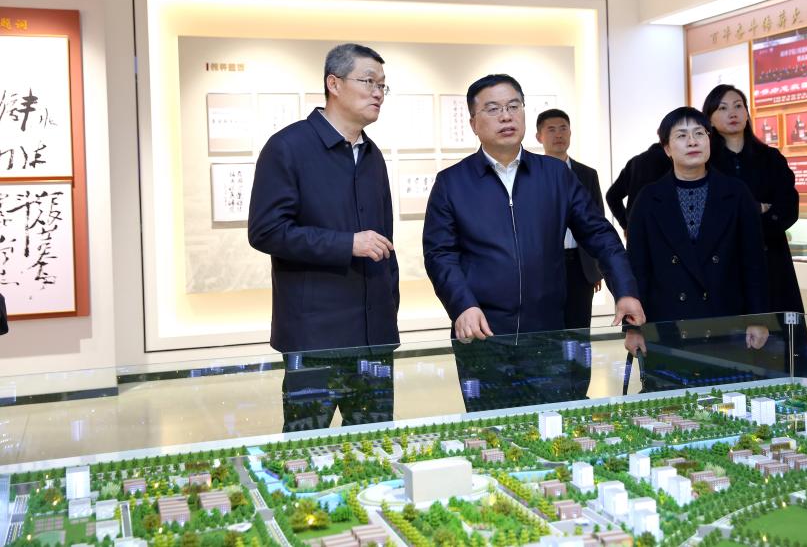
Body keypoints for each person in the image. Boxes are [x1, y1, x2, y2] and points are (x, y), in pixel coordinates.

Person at [423, 73, 644, 339]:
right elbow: (440, 254)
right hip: (480, 329)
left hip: (547, 328)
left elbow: (600, 235)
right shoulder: (451, 182)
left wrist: (625, 289)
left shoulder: (556, 175)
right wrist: (462, 305)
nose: (506, 116)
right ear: (473, 123)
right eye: (493, 109)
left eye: (513, 106)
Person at [248, 43, 399, 429]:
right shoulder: (288, 147)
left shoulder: (372, 155)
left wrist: (389, 314)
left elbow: (384, 243)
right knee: (306, 448)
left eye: (383, 85)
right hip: (315, 338)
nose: (378, 93)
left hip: (374, 337)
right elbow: (266, 231)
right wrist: (347, 244)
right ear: (334, 83)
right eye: (369, 82)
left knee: (375, 446)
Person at [626, 106, 769, 323]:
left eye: (699, 133)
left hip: (725, 316)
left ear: (709, 140)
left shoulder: (737, 193)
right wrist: (634, 327)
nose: (692, 142)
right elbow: (638, 267)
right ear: (667, 148)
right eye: (682, 135)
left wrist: (758, 320)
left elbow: (754, 263)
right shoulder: (648, 198)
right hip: (667, 320)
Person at [702, 84, 804, 313]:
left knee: (775, 322)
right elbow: (707, 210)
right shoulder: (705, 162)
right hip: (722, 258)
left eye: (738, 106)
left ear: (747, 113)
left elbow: (788, 206)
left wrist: (749, 224)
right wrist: (756, 208)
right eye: (722, 108)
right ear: (710, 119)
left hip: (770, 255)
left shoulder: (771, 158)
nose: (733, 113)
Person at [535, 108, 604, 330]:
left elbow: (597, 224)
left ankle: (579, 358)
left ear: (570, 133)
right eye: (551, 129)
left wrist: (597, 268)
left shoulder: (587, 174)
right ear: (539, 137)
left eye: (563, 128)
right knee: (547, 330)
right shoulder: (529, 175)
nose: (558, 134)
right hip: (544, 266)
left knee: (579, 330)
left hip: (580, 267)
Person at [605, 136, 672, 234]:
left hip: (636, 233)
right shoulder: (676, 164)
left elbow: (611, 196)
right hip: (666, 234)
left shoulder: (634, 162)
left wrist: (626, 225)